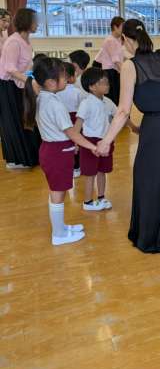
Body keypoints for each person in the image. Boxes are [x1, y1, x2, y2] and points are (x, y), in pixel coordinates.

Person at [96, 19, 160, 253]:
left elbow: (123, 110)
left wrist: (105, 141)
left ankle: (157, 232)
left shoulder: (130, 66)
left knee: (150, 177)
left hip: (156, 125)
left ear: (125, 39)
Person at [22, 57, 98, 246]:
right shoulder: (54, 104)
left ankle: (61, 227)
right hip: (57, 153)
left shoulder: (44, 98)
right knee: (57, 193)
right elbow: (71, 132)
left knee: (59, 191)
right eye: (63, 77)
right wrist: (92, 146)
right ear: (50, 82)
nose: (67, 80)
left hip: (55, 150)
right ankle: (58, 234)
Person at [0, 8, 41, 169]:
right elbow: (10, 68)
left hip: (20, 83)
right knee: (15, 122)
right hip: (8, 86)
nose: (37, 24)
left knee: (26, 119)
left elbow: (25, 66)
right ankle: (18, 160)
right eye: (35, 21)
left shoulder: (26, 41)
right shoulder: (14, 42)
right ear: (26, 22)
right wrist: (30, 81)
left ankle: (31, 156)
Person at [74, 68, 118, 212]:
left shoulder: (108, 101)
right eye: (103, 82)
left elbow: (120, 115)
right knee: (90, 174)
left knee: (102, 171)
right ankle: (87, 202)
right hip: (90, 143)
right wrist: (76, 143)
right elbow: (77, 126)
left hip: (105, 141)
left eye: (107, 82)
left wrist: (134, 127)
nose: (107, 84)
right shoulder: (86, 103)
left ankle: (101, 197)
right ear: (92, 87)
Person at [56, 62, 84, 178]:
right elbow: (82, 108)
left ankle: (65, 167)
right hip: (75, 120)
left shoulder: (56, 92)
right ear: (72, 78)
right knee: (76, 143)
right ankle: (76, 167)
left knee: (64, 143)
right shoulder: (78, 92)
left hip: (62, 121)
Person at [93, 16, 125, 105]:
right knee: (112, 95)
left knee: (117, 94)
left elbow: (121, 57)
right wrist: (125, 71)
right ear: (115, 27)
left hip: (113, 69)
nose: (124, 30)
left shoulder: (119, 39)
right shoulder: (110, 40)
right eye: (122, 27)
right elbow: (116, 60)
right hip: (107, 69)